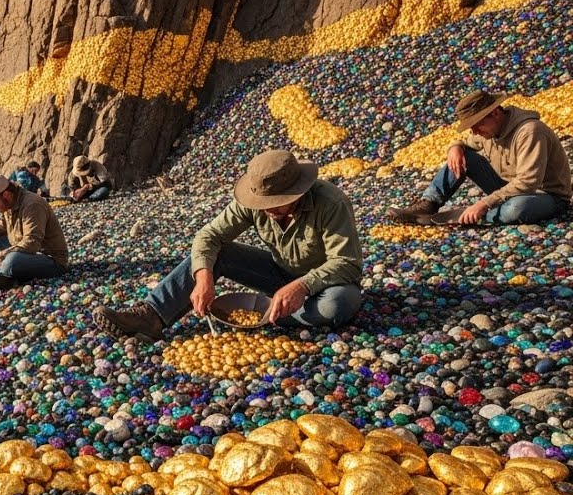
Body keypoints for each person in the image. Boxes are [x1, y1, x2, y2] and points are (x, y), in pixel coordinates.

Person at [92, 149, 363, 341]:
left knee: (339, 304)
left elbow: (346, 264)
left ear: (298, 193)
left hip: (325, 284)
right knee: (213, 255)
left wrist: (302, 285)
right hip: (278, 273)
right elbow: (208, 237)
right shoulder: (255, 200)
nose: (266, 210)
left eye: (274, 203)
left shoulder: (331, 203)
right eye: (262, 204)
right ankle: (152, 315)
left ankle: (263, 312)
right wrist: (203, 278)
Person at [387, 89, 570, 225]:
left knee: (515, 209)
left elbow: (528, 182)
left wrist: (483, 203)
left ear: (496, 113)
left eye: (477, 125)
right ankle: (429, 204)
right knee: (463, 156)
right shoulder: (487, 131)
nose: (475, 132)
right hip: (507, 187)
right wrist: (455, 147)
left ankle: (468, 216)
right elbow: (465, 141)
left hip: (544, 195)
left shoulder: (529, 132)